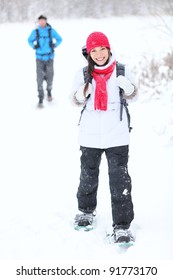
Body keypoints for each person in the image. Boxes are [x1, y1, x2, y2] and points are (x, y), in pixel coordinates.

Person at [70, 31, 138, 243]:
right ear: (88, 53)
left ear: (109, 49)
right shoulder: (82, 74)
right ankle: (86, 212)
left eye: (102, 49)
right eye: (94, 51)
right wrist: (82, 93)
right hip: (90, 135)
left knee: (120, 182)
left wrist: (128, 88)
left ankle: (122, 226)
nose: (99, 54)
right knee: (87, 177)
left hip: (117, 135)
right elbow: (73, 99)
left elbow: (134, 95)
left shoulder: (123, 70)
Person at [28, 15, 62, 107]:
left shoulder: (51, 31)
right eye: (40, 21)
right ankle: (40, 98)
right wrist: (33, 46)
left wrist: (54, 45)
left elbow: (60, 39)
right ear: (38, 22)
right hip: (39, 58)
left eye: (43, 20)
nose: (42, 22)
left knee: (50, 77)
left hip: (50, 58)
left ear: (46, 21)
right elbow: (29, 40)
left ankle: (49, 91)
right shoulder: (35, 31)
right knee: (39, 78)